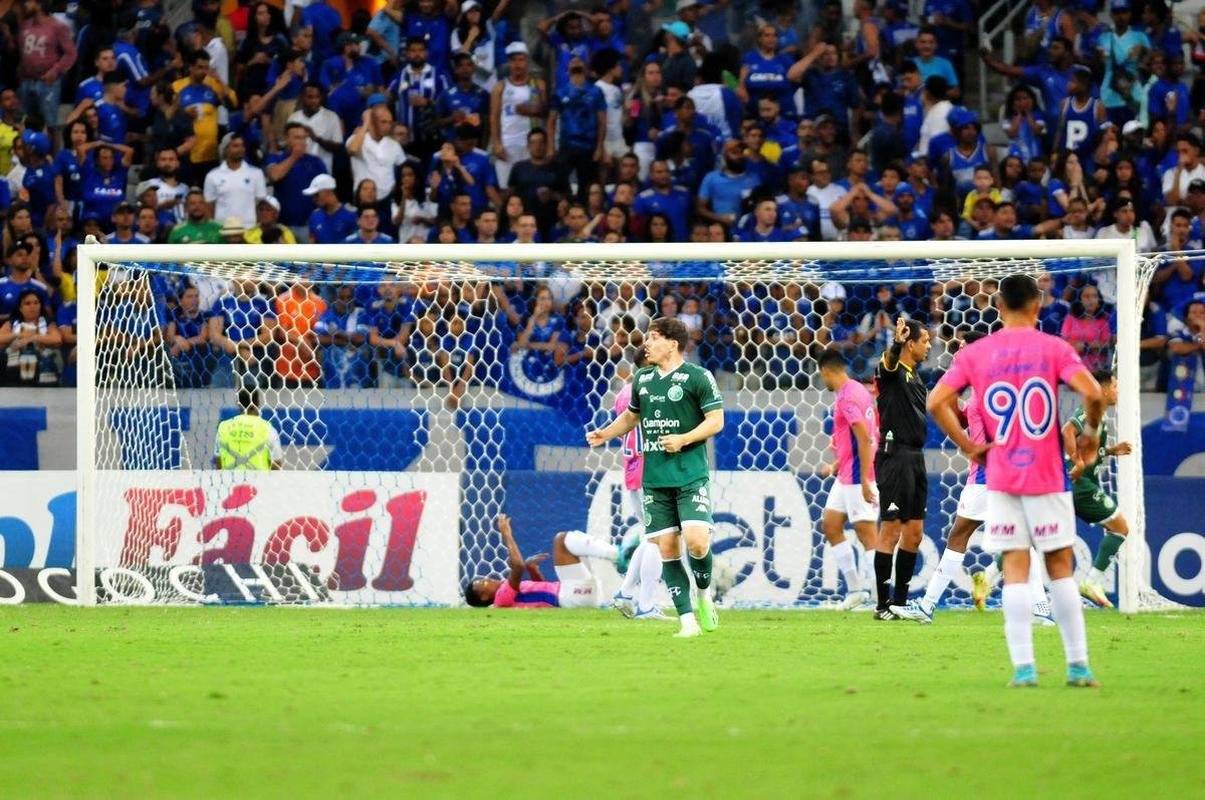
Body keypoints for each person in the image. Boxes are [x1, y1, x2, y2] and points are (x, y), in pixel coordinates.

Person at [929, 273, 1105, 688]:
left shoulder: (976, 354)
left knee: (1015, 567)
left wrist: (970, 447)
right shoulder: (1054, 348)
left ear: (1000, 306)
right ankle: (1078, 666)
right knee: (1059, 566)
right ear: (1037, 306)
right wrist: (1092, 436)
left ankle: (1024, 669)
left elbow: (937, 401)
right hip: (1047, 475)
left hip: (1003, 476)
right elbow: (1094, 394)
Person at [892, 332, 1055, 624]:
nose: (959, 351)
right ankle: (1041, 609)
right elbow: (968, 417)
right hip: (1002, 474)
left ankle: (927, 606)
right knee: (1017, 540)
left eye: (965, 347)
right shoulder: (988, 385)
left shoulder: (987, 386)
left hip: (986, 475)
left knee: (960, 535)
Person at [586, 317, 725, 638]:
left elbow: (716, 421)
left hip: (690, 475)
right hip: (655, 480)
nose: (646, 343)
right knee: (667, 549)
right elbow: (632, 416)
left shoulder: (698, 377)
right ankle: (687, 622)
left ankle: (704, 594)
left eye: (653, 337)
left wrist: (684, 439)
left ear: (672, 344)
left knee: (698, 543)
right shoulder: (644, 379)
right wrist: (605, 433)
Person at [872, 317, 931, 620]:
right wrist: (895, 342)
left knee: (915, 533)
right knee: (891, 530)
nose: (929, 345)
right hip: (894, 457)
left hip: (916, 458)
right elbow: (888, 363)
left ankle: (900, 602)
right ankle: (882, 605)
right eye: (925, 340)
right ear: (910, 343)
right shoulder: (892, 372)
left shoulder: (917, 378)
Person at [609, 351, 671, 621]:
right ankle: (645, 605)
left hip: (634, 471)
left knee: (651, 537)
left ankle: (625, 593)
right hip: (651, 472)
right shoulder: (651, 391)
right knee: (658, 540)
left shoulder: (624, 393)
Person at [1064, 370, 1133, 608]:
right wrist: (1077, 461)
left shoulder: (1099, 417)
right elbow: (1068, 430)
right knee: (1120, 528)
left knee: (1035, 536)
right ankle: (1092, 582)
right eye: (1114, 386)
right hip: (1080, 485)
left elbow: (1090, 449)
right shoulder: (1089, 412)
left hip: (1071, 484)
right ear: (1103, 389)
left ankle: (988, 577)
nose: (1117, 391)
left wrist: (1112, 451)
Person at [816, 347, 878, 610]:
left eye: (823, 376)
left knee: (867, 535)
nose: (824, 382)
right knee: (830, 524)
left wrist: (864, 479)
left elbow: (864, 437)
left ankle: (880, 596)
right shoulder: (856, 390)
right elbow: (854, 439)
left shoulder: (847, 398)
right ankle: (856, 590)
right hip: (846, 473)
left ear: (828, 372)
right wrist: (836, 465)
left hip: (857, 475)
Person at [465, 514, 619, 609]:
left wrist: (533, 571)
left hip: (580, 597)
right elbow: (518, 566)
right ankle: (617, 555)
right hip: (571, 597)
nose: (489, 579)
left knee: (575, 545)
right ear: (484, 597)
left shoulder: (510, 595)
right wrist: (507, 534)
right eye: (484, 583)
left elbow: (540, 595)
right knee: (561, 540)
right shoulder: (501, 598)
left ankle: (616, 554)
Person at [213, 386, 283, 470]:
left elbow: (218, 464)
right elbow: (276, 465)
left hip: (230, 481)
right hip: (259, 482)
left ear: (238, 403)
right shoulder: (268, 429)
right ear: (257, 402)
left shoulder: (223, 427)